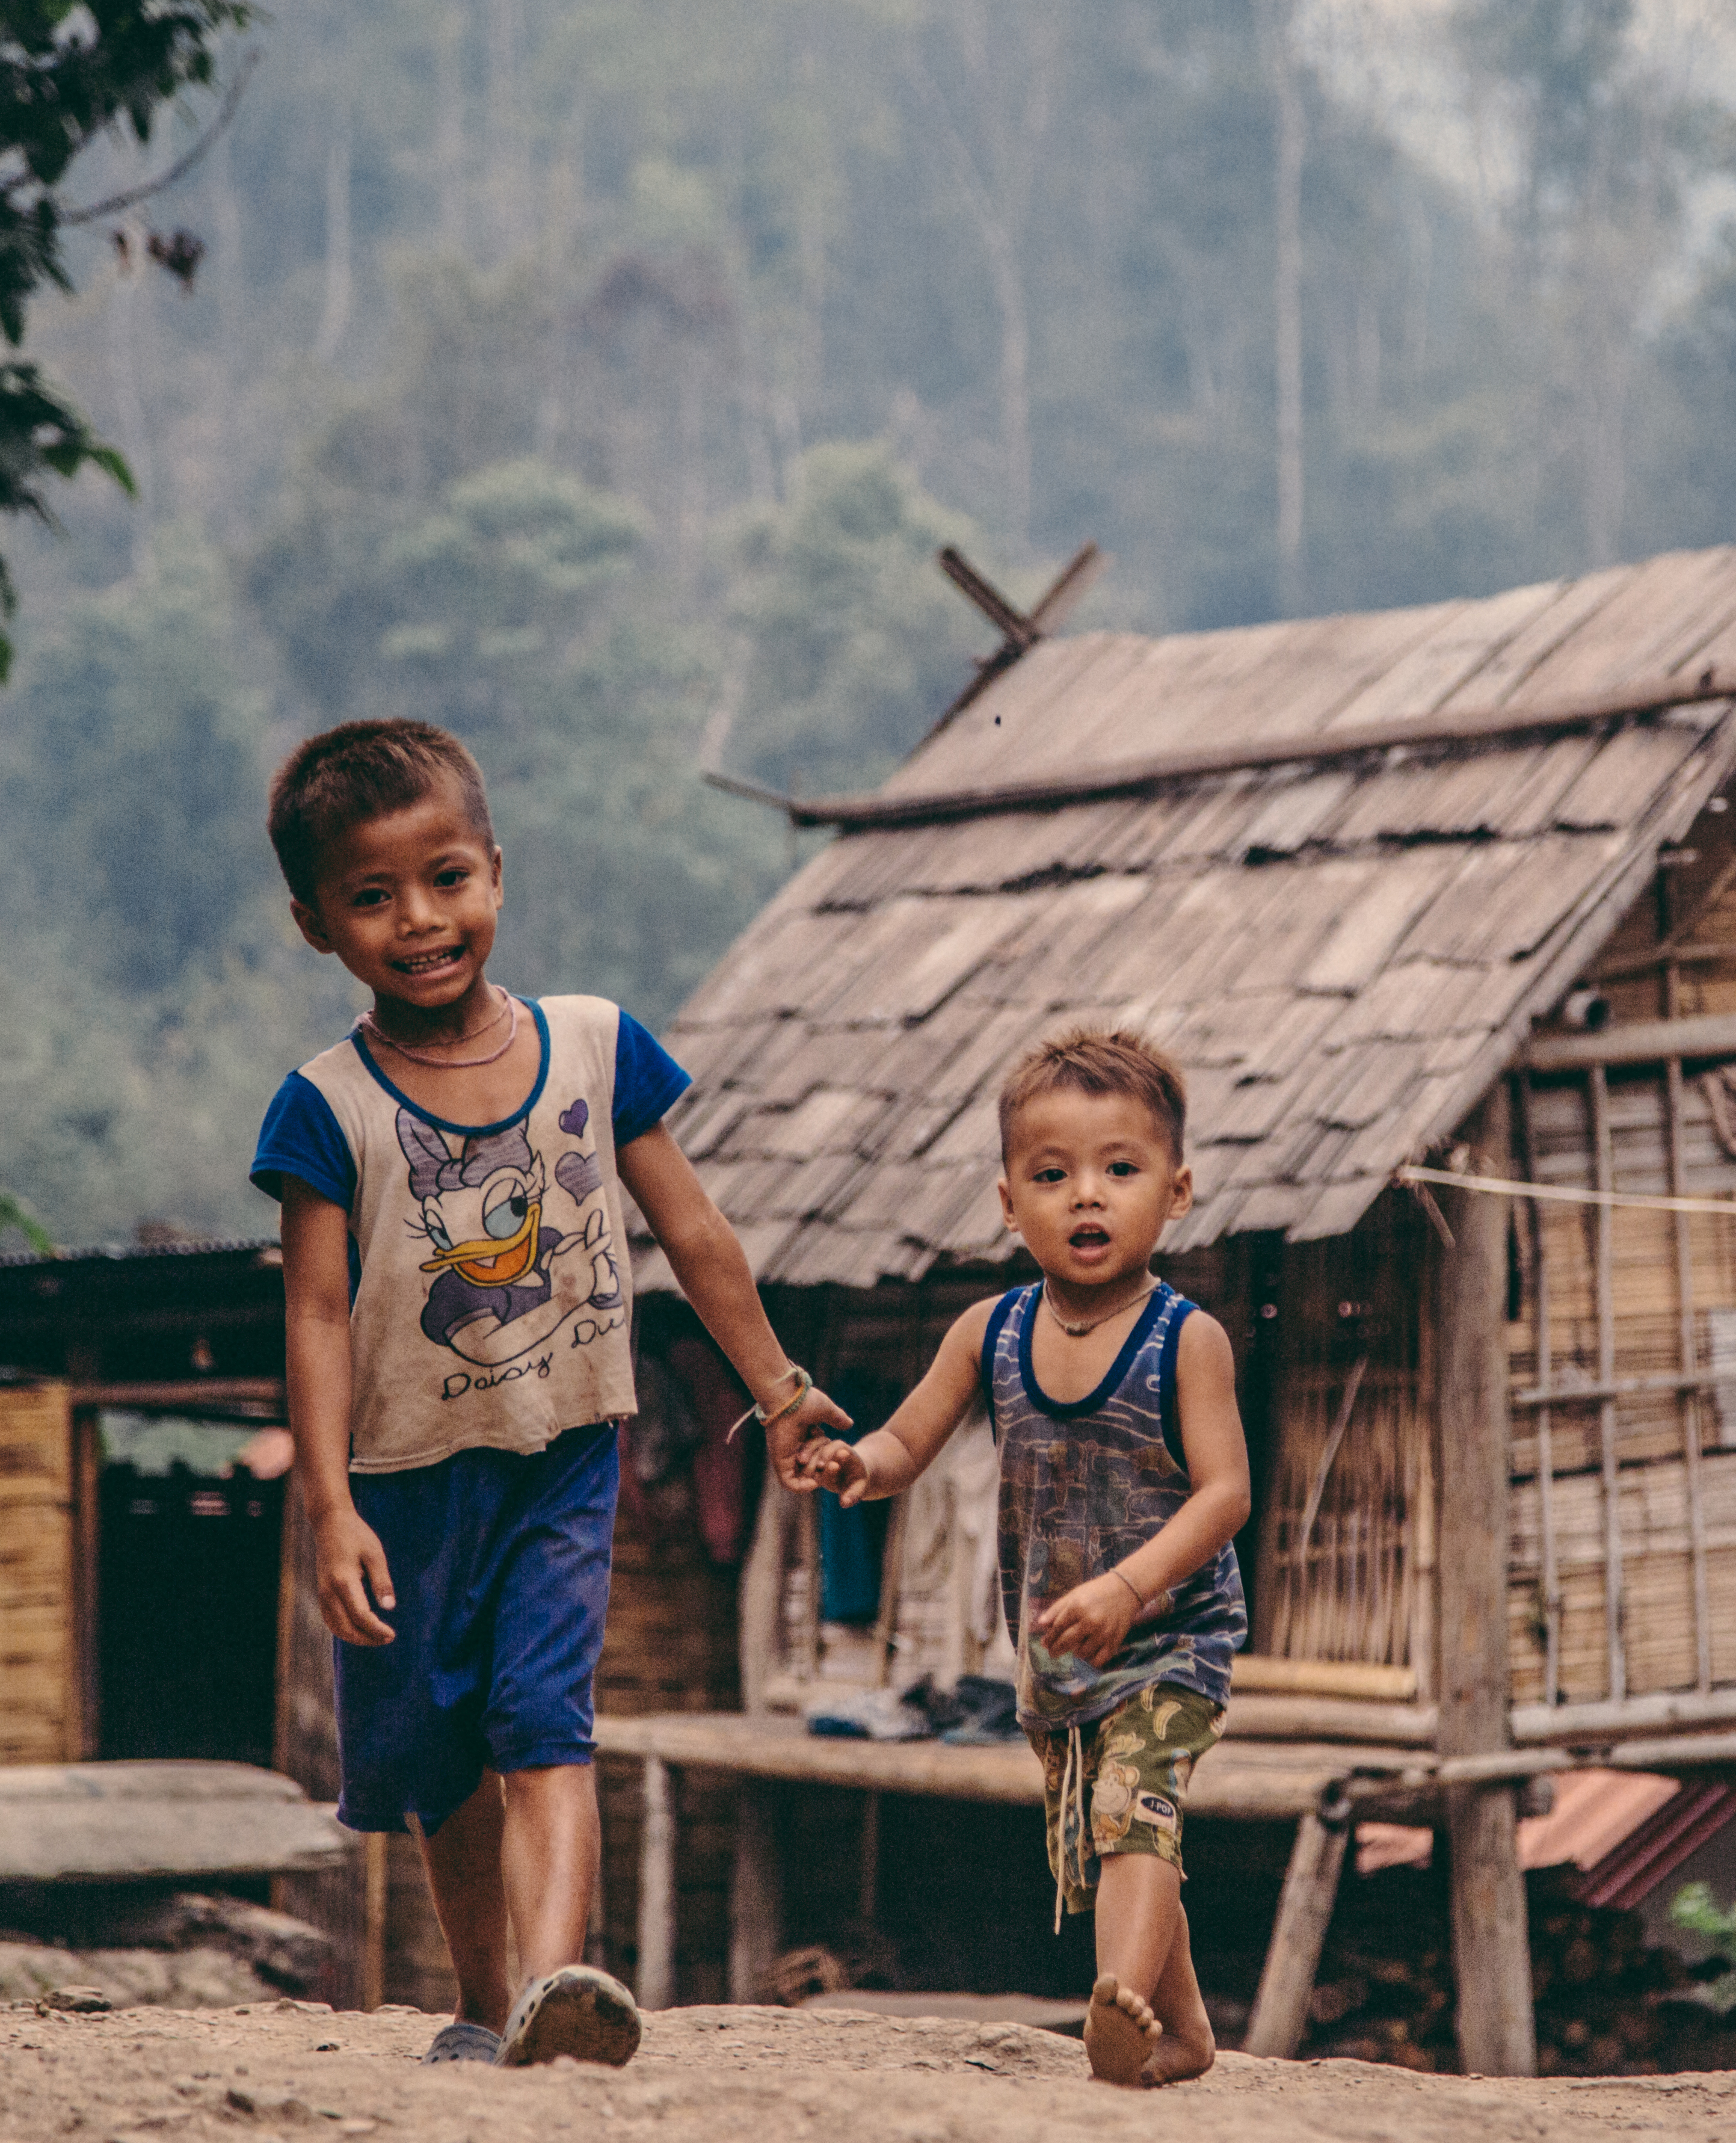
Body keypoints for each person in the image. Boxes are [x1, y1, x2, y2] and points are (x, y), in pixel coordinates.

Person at [251, 719, 848, 2067]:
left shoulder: (593, 1043)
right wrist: (330, 1504)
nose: (420, 918)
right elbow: (316, 1311)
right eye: (371, 895)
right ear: (314, 922)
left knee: (542, 1722)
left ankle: (561, 1987)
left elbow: (692, 1233)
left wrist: (780, 1384)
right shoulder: (322, 1107)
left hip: (564, 1449)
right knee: (441, 1762)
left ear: (498, 873)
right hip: (405, 1482)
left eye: (447, 877)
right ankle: (487, 2000)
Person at [789, 1030, 1251, 2087]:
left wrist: (1132, 1586)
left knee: (1135, 1802)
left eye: (1119, 1170)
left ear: (1174, 1192)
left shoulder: (1189, 1338)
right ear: (1008, 1203)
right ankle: (1179, 2032)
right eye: (1053, 1175)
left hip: (1173, 1632)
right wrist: (855, 1465)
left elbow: (1226, 1492)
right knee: (1117, 1827)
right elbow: (909, 1441)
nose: (1086, 1196)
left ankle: (1113, 2011)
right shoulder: (987, 1332)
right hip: (1055, 1641)